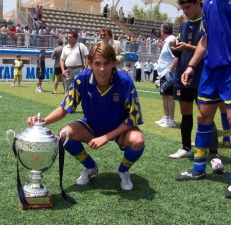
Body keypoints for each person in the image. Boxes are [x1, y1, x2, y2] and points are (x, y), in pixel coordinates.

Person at [27, 42, 145, 191]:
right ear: (90, 63)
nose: (102, 69)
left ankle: (123, 170)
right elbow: (65, 108)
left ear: (114, 63)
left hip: (119, 128)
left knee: (138, 140)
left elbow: (132, 119)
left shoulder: (124, 81)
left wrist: (106, 137)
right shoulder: (82, 79)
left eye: (106, 64)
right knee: (64, 135)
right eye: (97, 63)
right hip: (91, 127)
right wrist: (43, 121)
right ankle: (90, 167)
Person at [175, 0, 231, 199]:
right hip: (210, 70)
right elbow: (205, 39)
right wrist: (191, 66)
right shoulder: (208, 5)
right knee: (203, 116)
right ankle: (198, 167)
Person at [167, 0, 224, 175]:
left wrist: (188, 47)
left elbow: (208, 47)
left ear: (199, 5)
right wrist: (175, 48)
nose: (185, 11)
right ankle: (186, 147)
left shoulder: (208, 20)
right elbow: (180, 51)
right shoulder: (184, 25)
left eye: (188, 7)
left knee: (205, 114)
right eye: (183, 8)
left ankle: (213, 153)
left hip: (203, 76)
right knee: (185, 113)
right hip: (184, 74)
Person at [154, 22, 177, 128]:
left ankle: (171, 119)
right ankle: (166, 117)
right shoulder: (166, 41)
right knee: (164, 96)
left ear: (162, 31)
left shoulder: (171, 41)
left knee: (170, 96)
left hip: (168, 74)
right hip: (163, 73)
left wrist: (170, 71)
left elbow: (177, 56)